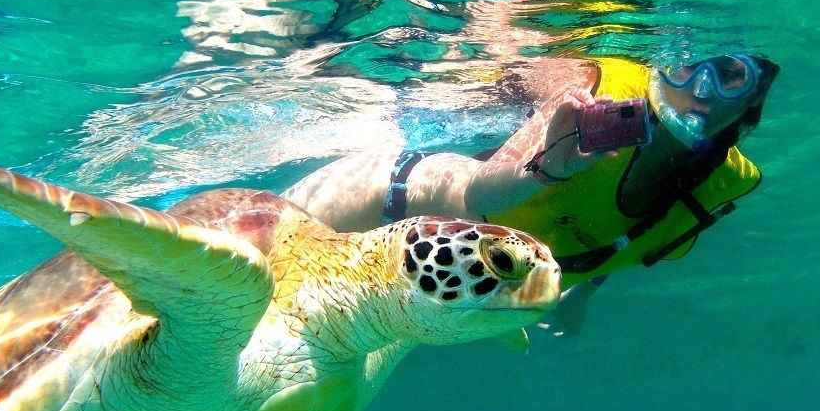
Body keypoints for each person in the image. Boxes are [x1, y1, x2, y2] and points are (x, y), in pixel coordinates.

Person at [282, 52, 779, 333]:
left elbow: (627, 238)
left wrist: (581, 295)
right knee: (261, 262)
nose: (703, 87)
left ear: (749, 110)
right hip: (383, 200)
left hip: (439, 292)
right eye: (694, 65)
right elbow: (473, 194)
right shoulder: (593, 94)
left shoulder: (715, 187)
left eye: (732, 79)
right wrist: (546, 169)